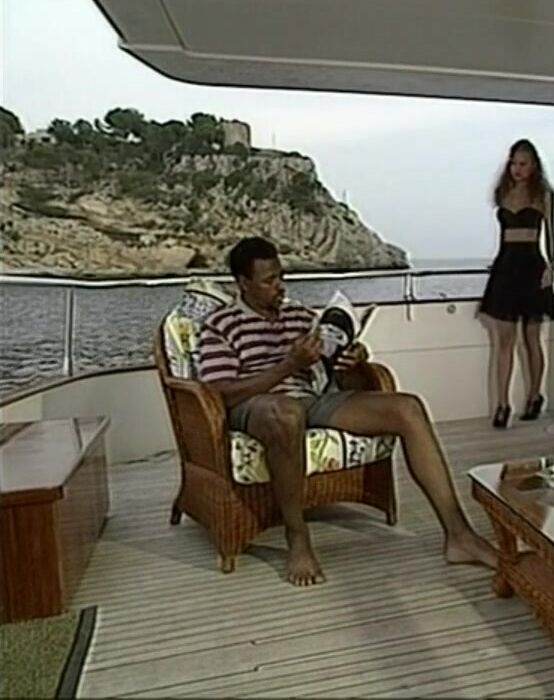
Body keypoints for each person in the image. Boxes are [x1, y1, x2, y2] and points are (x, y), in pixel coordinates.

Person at [197, 236, 496, 586]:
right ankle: (297, 536)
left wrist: (353, 361)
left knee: (408, 408)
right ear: (243, 283)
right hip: (258, 407)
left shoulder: (301, 317)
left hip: (310, 399)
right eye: (269, 280)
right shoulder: (220, 325)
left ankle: (459, 535)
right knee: (285, 413)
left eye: (281, 277)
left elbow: (340, 378)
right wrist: (288, 365)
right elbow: (219, 393)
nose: (279, 286)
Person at [478, 139, 554, 429]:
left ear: (533, 165)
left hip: (532, 265)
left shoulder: (543, 194)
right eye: (513, 163)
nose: (517, 169)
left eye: (522, 164)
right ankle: (502, 405)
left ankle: (535, 395)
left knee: (532, 338)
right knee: (504, 341)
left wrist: (551, 267)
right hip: (506, 265)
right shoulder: (503, 192)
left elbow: (551, 234)